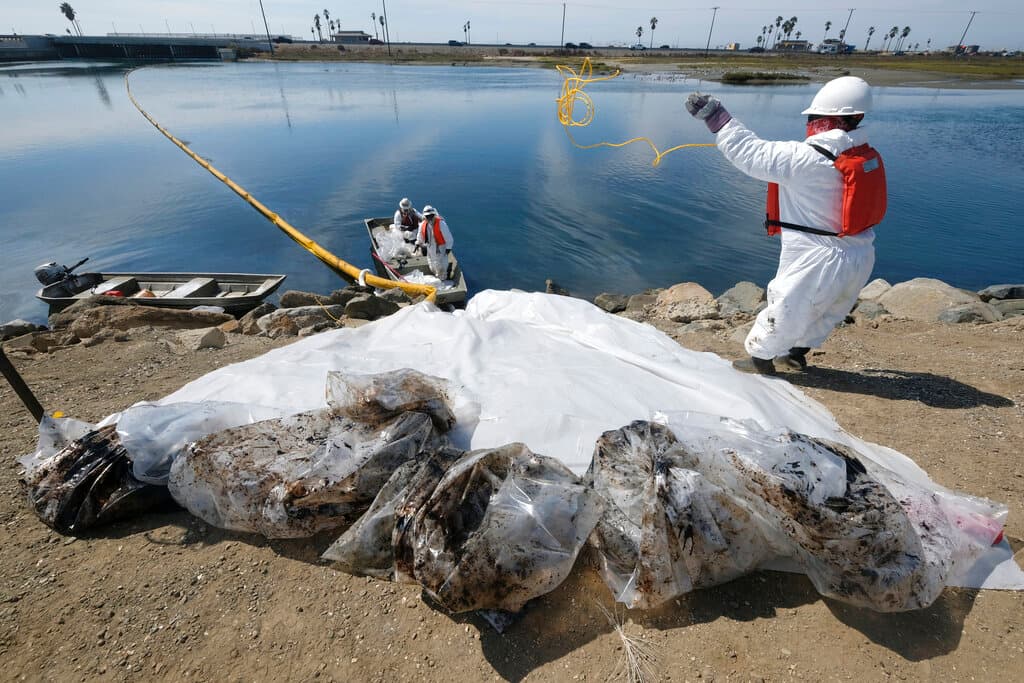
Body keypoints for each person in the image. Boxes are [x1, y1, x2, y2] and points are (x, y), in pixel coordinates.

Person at [685, 76, 885, 376]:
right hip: (859, 253)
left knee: (787, 306)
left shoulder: (809, 158)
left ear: (823, 119)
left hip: (819, 256)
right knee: (828, 310)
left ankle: (760, 361)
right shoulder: (858, 153)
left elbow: (750, 153)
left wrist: (717, 118)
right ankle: (793, 355)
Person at [415, 205, 455, 280]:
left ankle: (443, 279)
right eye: (427, 216)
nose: (429, 218)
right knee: (432, 265)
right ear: (425, 216)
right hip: (429, 248)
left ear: (434, 215)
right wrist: (417, 243)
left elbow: (449, 238)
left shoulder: (441, 224)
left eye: (431, 215)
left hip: (440, 248)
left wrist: (448, 248)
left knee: (441, 266)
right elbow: (420, 235)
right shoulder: (423, 224)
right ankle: (436, 276)